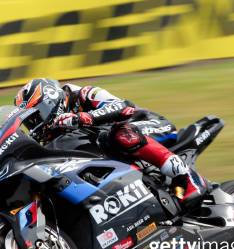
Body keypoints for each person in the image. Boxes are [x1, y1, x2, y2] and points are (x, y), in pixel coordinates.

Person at [14, 78, 207, 209]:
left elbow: (124, 106)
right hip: (116, 153)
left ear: (49, 101)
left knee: (119, 134)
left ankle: (188, 178)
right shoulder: (55, 135)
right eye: (30, 121)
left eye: (36, 116)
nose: (35, 124)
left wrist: (83, 117)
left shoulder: (83, 94)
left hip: (149, 125)